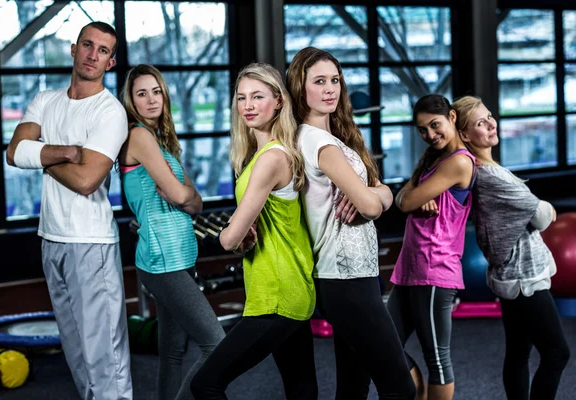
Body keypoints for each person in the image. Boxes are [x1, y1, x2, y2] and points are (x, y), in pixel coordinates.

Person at [5, 22, 132, 399]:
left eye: (103, 51)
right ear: (74, 49)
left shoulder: (110, 112)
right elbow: (13, 152)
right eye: (88, 46)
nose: (94, 55)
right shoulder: (45, 99)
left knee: (104, 353)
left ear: (111, 62)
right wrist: (63, 152)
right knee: (75, 348)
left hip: (91, 242)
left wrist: (39, 153)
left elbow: (86, 180)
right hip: (51, 237)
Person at [287, 46, 416, 400]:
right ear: (300, 87)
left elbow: (377, 197)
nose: (330, 89)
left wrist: (380, 192)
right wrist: (377, 195)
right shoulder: (319, 142)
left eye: (335, 80)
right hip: (346, 279)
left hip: (353, 273)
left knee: (353, 384)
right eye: (319, 81)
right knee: (400, 386)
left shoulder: (331, 138)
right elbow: (371, 207)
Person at [190, 63, 318, 400]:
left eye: (257, 96)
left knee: (205, 384)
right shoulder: (268, 154)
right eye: (241, 97)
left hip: (275, 293)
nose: (247, 105)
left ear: (278, 101)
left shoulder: (271, 158)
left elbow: (231, 239)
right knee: (301, 389)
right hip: (292, 287)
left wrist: (230, 232)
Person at [119, 64, 226, 400]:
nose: (151, 99)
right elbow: (182, 195)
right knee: (216, 343)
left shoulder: (162, 143)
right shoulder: (138, 135)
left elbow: (195, 203)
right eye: (141, 93)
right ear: (131, 101)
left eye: (156, 91)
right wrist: (184, 194)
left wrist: (185, 195)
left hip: (179, 256)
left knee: (173, 352)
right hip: (162, 261)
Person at [452, 95, 570, 400]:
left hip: (511, 275)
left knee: (518, 352)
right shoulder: (492, 176)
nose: (491, 123)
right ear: (464, 135)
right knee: (557, 353)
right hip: (523, 279)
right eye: (480, 122)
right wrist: (542, 206)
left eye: (489, 116)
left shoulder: (484, 170)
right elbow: (543, 216)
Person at [388, 94, 477, 400]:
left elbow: (406, 200)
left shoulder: (460, 162)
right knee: (384, 346)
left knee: (437, 360)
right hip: (411, 268)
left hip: (435, 269)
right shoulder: (433, 160)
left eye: (435, 125)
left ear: (452, 117)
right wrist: (408, 197)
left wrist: (409, 198)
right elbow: (403, 199)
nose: (430, 134)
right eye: (422, 129)